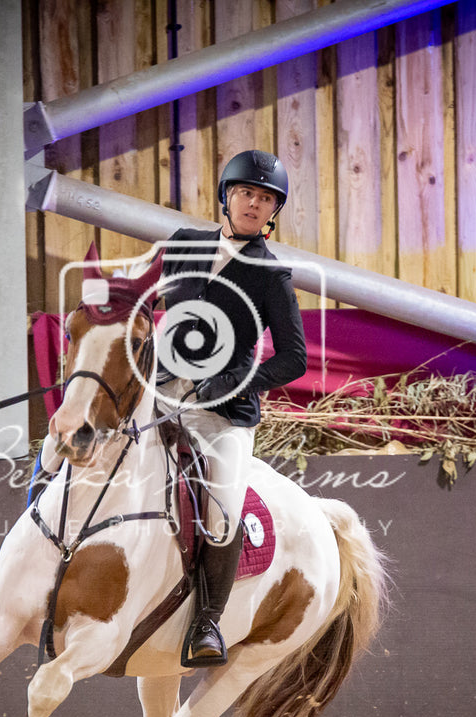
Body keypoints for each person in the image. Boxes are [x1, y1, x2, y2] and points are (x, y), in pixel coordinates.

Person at [154, 149, 306, 667]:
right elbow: (152, 302)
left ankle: (207, 622)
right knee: (82, 447)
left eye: (265, 199)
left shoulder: (271, 275)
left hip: (223, 414)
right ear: (226, 196)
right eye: (246, 193)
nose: (254, 204)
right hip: (161, 395)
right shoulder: (183, 245)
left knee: (222, 510)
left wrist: (236, 384)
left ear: (272, 212)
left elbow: (295, 358)